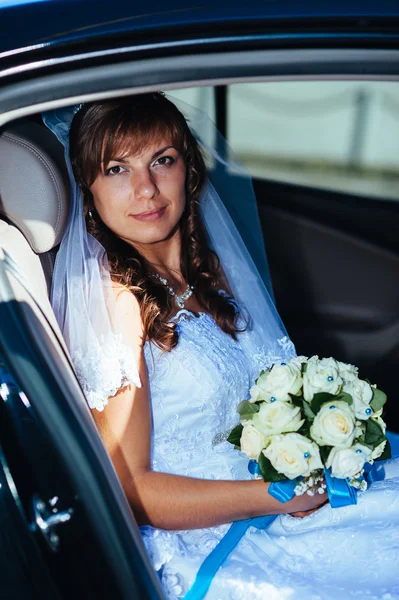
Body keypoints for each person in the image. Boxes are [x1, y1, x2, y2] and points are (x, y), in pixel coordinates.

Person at [45, 93, 399, 600]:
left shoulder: (203, 269)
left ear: (187, 169)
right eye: (118, 169)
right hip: (209, 534)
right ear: (89, 190)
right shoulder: (116, 299)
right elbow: (132, 491)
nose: (146, 189)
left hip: (274, 499)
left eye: (161, 161)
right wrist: (281, 496)